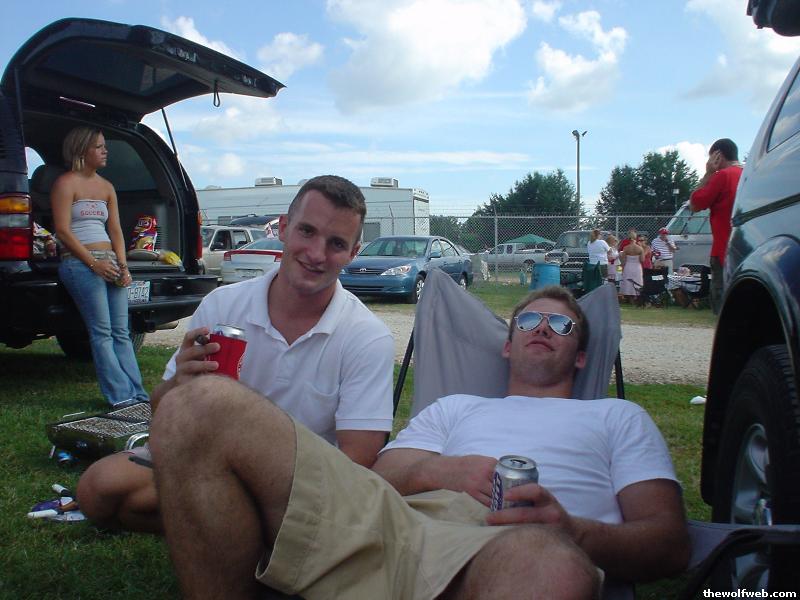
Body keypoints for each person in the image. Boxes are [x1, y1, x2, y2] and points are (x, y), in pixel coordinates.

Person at [150, 286, 690, 599]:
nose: (542, 328)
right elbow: (375, 479)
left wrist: (572, 531)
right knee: (197, 401)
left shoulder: (618, 417)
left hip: (509, 548)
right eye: (529, 320)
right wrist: (444, 471)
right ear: (507, 347)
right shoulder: (456, 407)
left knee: (548, 567)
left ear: (581, 356)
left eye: (562, 325)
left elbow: (669, 543)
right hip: (394, 528)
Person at [76, 175, 395, 533]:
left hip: (297, 486)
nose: (317, 254)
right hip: (207, 463)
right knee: (98, 488)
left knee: (151, 501)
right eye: (307, 231)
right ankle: (232, 524)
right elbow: (162, 411)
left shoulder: (367, 337)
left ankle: (226, 526)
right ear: (284, 228)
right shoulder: (223, 304)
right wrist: (178, 382)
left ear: (353, 253)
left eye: (336, 243)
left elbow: (357, 461)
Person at [51, 127, 148, 408]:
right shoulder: (65, 183)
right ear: (82, 150)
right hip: (80, 263)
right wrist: (93, 264)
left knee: (121, 331)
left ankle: (138, 394)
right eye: (99, 146)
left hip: (111, 261)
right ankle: (120, 396)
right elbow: (63, 231)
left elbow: (115, 229)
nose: (105, 151)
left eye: (104, 146)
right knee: (102, 331)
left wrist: (123, 266)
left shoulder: (107, 187)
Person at [689, 138, 743, 314]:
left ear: (717, 155)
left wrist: (707, 174)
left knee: (723, 306)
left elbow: (695, 204)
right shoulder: (750, 174)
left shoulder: (723, 176)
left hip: (724, 250)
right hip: (748, 249)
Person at [619, 236, 644, 303]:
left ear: (629, 240)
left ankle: (629, 298)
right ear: (635, 239)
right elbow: (642, 260)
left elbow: (623, 260)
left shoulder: (626, 248)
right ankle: (636, 296)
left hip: (628, 266)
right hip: (637, 266)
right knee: (637, 280)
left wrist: (621, 269)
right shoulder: (640, 248)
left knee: (628, 281)